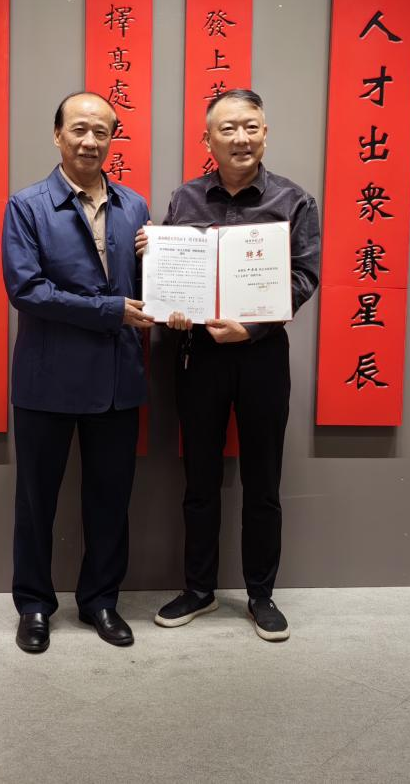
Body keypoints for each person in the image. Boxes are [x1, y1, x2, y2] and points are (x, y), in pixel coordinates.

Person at [138, 89, 320, 641]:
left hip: (262, 356)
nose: (241, 138)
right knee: (200, 479)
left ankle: (261, 594)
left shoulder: (294, 200)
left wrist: (253, 327)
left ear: (265, 132)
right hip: (199, 356)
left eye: (251, 127)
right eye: (228, 129)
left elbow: (304, 276)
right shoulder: (185, 198)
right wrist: (156, 263)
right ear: (208, 139)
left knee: (263, 481)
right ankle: (199, 589)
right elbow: (172, 274)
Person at [1, 91, 154, 654]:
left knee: (110, 501)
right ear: (58, 135)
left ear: (113, 139)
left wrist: (162, 258)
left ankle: (101, 601)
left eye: (102, 132)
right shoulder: (27, 206)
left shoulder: (135, 206)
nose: (90, 141)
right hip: (47, 380)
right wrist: (109, 311)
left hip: (117, 379)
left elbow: (146, 290)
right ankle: (34, 606)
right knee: (36, 502)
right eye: (80, 130)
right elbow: (27, 290)